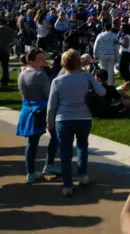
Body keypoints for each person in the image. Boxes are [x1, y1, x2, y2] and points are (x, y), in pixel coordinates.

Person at [47, 49, 106, 196]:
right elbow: (102, 92)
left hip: (63, 119)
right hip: (83, 117)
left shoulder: (57, 81)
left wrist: (49, 121)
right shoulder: (86, 77)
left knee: (65, 152)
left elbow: (51, 104)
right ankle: (83, 175)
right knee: (82, 146)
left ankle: (67, 185)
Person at [16, 48, 60, 183]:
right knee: (56, 136)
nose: (43, 60)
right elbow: (50, 94)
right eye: (40, 58)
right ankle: (49, 165)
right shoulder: (40, 75)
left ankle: (30, 171)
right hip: (42, 109)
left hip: (27, 109)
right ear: (32, 60)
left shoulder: (21, 73)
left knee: (32, 142)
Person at [94, 21, 119, 85]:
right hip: (111, 55)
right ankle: (110, 86)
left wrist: (95, 55)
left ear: (104, 28)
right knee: (110, 72)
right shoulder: (114, 35)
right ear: (111, 28)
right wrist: (117, 57)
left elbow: (95, 46)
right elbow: (116, 47)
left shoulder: (100, 35)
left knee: (103, 71)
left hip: (102, 55)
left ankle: (103, 84)